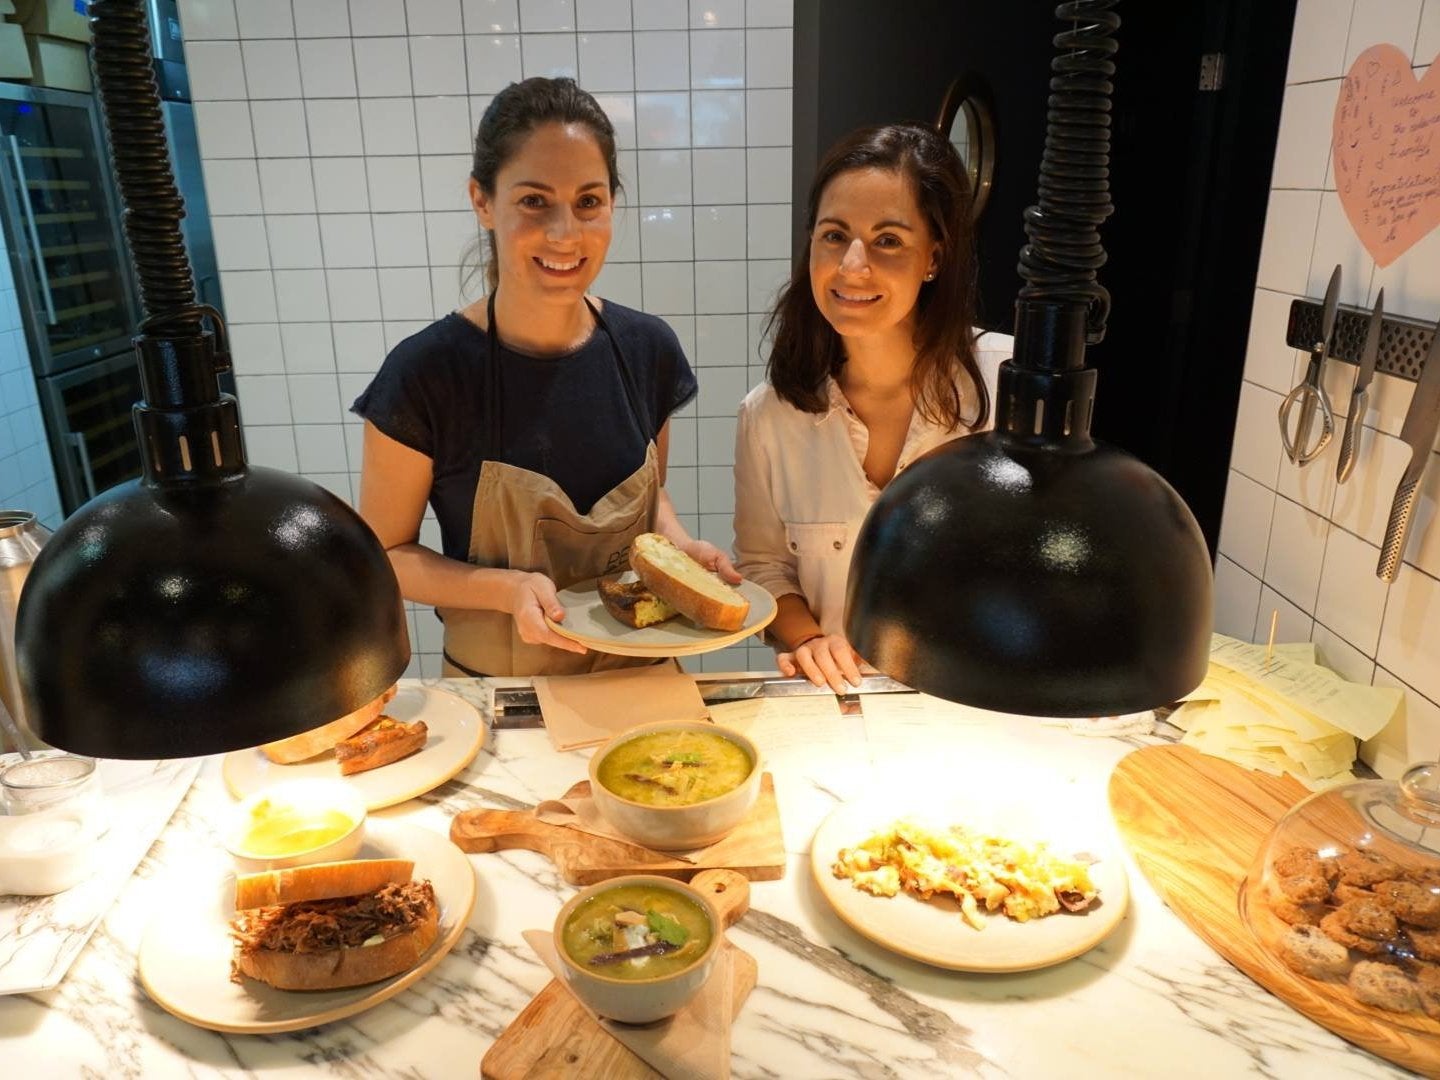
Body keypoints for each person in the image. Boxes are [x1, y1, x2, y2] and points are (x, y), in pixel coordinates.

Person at [353, 77, 736, 677]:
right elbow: (385, 554)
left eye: (589, 201)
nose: (565, 233)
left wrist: (678, 548)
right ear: (483, 201)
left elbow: (650, 498)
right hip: (505, 699)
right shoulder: (426, 374)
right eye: (534, 201)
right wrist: (504, 589)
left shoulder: (647, 349)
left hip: (640, 682)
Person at [733, 123, 1012, 693]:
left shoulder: (1010, 384)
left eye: (888, 240)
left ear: (934, 257)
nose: (852, 266)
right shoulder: (769, 417)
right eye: (834, 236)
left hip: (978, 703)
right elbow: (763, 569)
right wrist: (809, 640)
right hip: (839, 709)